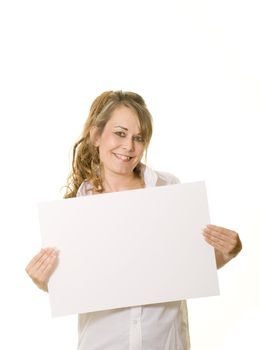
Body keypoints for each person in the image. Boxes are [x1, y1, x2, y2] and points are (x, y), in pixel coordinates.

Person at [25, 90, 242, 349]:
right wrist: (44, 281)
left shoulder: (167, 188)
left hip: (163, 340)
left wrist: (228, 252)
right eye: (120, 133)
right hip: (103, 342)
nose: (129, 146)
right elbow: (76, 286)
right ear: (96, 136)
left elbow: (187, 268)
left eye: (139, 138)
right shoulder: (78, 207)